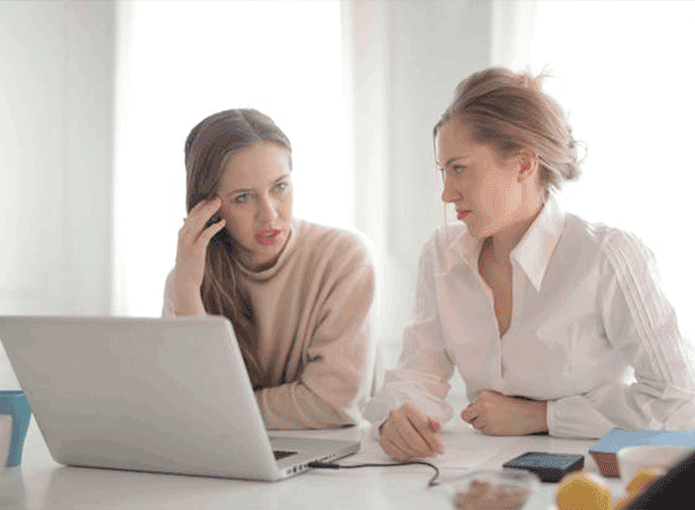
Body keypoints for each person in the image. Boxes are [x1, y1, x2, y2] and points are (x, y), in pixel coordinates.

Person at [364, 67, 695, 461]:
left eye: (459, 169)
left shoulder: (607, 256)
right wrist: (397, 417)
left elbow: (679, 404)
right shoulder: (441, 254)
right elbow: (420, 372)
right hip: (478, 475)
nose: (447, 193)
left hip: (593, 478)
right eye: (443, 172)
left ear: (523, 164)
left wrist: (544, 416)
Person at [162, 108, 377, 429]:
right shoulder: (188, 280)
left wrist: (225, 410)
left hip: (336, 459)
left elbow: (335, 402)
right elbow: (186, 405)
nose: (270, 215)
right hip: (232, 455)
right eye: (244, 197)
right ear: (208, 208)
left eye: (280, 187)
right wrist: (188, 295)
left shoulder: (344, 257)